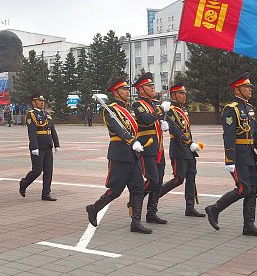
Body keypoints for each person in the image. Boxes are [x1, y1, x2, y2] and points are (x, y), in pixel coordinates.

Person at [205, 73, 257, 237]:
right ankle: (215, 208)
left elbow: (254, 133)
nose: (250, 89)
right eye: (247, 87)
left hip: (249, 155)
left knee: (253, 187)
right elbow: (229, 136)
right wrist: (229, 159)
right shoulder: (230, 109)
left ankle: (249, 225)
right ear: (238, 89)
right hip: (238, 156)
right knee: (243, 188)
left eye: (250, 87)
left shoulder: (249, 108)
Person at [86, 77, 151, 234]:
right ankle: (94, 208)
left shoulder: (129, 110)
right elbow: (117, 129)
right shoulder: (110, 110)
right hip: (120, 153)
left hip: (133, 154)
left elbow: (137, 127)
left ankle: (136, 222)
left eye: (128, 89)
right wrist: (131, 140)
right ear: (116, 92)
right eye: (124, 89)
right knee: (116, 189)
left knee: (138, 188)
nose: (127, 92)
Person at [158, 84, 206, 217]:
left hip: (188, 148)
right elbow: (175, 129)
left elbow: (187, 131)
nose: (184, 96)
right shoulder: (170, 110)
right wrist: (189, 143)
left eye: (185, 93)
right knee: (179, 178)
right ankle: (155, 196)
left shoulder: (183, 109)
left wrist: (191, 144)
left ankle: (190, 207)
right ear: (173, 95)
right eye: (181, 93)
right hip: (179, 148)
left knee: (191, 177)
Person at [132, 72, 171, 224]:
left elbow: (157, 120)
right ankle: (135, 201)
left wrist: (165, 125)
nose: (153, 87)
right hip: (147, 147)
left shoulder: (154, 104)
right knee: (153, 180)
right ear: (141, 89)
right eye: (149, 86)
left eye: (153, 85)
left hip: (159, 147)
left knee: (159, 181)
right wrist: (160, 111)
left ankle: (151, 212)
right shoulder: (138, 105)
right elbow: (146, 119)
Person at [19, 92, 60, 201]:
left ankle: (46, 193)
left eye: (43, 101)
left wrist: (56, 144)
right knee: (37, 170)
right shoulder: (31, 114)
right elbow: (31, 132)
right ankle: (24, 183)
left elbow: (52, 130)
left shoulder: (47, 114)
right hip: (38, 147)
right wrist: (34, 147)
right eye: (40, 101)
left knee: (48, 170)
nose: (42, 103)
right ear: (33, 102)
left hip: (48, 146)